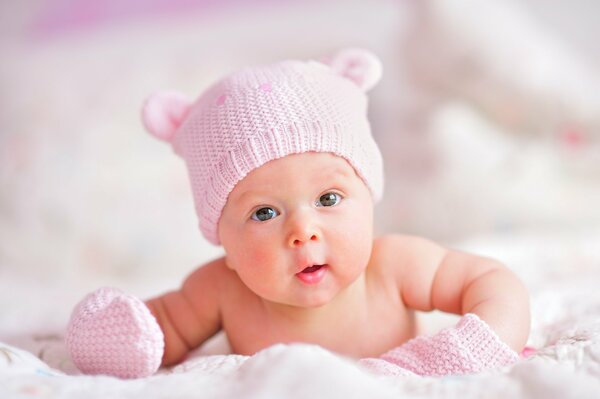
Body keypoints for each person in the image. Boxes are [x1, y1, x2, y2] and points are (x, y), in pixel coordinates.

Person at [65, 48, 530, 379]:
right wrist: (120, 338)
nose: (302, 232)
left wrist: (478, 344)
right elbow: (160, 328)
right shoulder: (221, 290)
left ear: (369, 200)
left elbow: (490, 282)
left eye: (328, 200)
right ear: (223, 240)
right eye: (264, 212)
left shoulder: (392, 267)